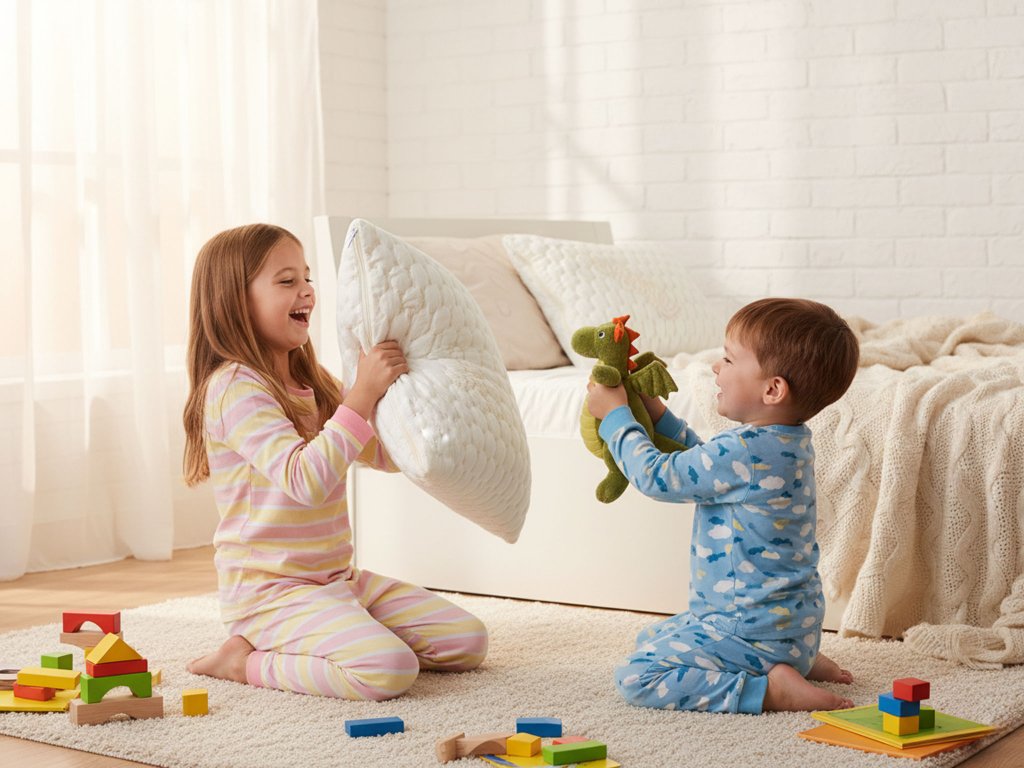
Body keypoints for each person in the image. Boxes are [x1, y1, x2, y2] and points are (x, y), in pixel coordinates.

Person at [181, 223, 487, 700]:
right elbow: (306, 480)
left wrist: (421, 415)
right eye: (287, 281)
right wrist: (362, 394)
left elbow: (380, 454)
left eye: (306, 278)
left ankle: (338, 633)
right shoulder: (233, 389)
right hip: (270, 594)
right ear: (235, 301)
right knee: (387, 670)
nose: (307, 290)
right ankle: (244, 661)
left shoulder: (312, 381)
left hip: (338, 581)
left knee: (468, 642)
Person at [586, 297, 859, 714]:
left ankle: (770, 689)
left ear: (772, 389)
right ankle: (793, 660)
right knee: (651, 638)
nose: (716, 366)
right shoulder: (785, 442)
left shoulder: (745, 451)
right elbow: (704, 463)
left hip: (744, 628)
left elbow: (659, 476)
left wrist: (616, 418)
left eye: (729, 359)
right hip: (789, 627)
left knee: (637, 674)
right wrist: (657, 414)